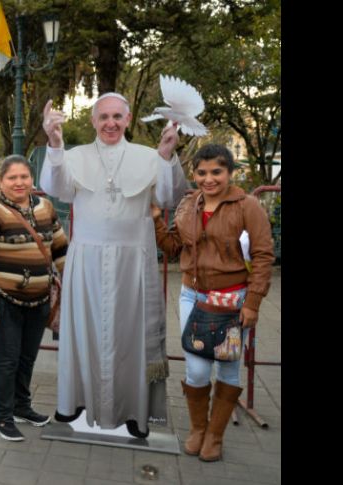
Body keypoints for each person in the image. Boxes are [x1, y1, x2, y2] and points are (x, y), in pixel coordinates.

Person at [39, 94, 189, 437]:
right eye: (103, 116)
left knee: (134, 334)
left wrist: (166, 155)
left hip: (133, 264)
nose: (110, 123)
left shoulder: (149, 156)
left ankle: (136, 411)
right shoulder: (75, 156)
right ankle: (76, 401)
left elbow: (169, 197)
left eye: (117, 117)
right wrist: (55, 143)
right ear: (93, 120)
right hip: (87, 261)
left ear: (128, 118)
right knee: (85, 330)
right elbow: (54, 186)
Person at [152, 143, 274, 461]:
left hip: (234, 300)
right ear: (195, 174)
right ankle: (198, 429)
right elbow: (173, 247)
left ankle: (215, 437)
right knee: (196, 370)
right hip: (192, 296)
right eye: (202, 172)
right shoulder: (188, 205)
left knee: (228, 369)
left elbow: (263, 256)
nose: (209, 179)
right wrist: (153, 218)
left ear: (230, 173)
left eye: (217, 172)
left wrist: (253, 304)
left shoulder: (248, 206)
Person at [0, 155, 70, 441]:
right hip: (4, 300)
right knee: (8, 359)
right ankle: (1, 416)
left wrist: (73, 283)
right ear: (0, 182)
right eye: (12, 177)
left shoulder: (46, 208)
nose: (19, 182)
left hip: (39, 300)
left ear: (32, 179)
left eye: (24, 177)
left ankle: (21, 407)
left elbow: (61, 250)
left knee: (27, 358)